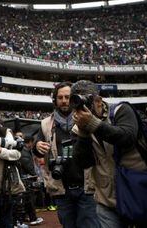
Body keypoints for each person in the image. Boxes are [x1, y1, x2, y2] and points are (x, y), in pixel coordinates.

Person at [71, 80, 146, 228]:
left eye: (86, 101)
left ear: (98, 100)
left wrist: (92, 123)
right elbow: (83, 163)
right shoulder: (78, 127)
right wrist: (83, 133)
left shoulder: (121, 110)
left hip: (136, 193)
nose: (81, 107)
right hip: (106, 200)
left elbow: (127, 138)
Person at [33, 82, 99, 228]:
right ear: (55, 100)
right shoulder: (45, 124)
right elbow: (37, 150)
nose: (64, 100)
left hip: (87, 186)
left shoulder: (87, 118)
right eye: (60, 97)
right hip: (62, 188)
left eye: (68, 97)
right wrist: (37, 147)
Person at [18, 132, 44, 226]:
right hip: (26, 178)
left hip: (24, 178)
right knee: (29, 199)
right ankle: (33, 218)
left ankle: (26, 217)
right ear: (30, 142)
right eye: (32, 143)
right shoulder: (24, 151)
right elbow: (28, 166)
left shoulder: (24, 150)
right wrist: (35, 175)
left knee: (26, 200)